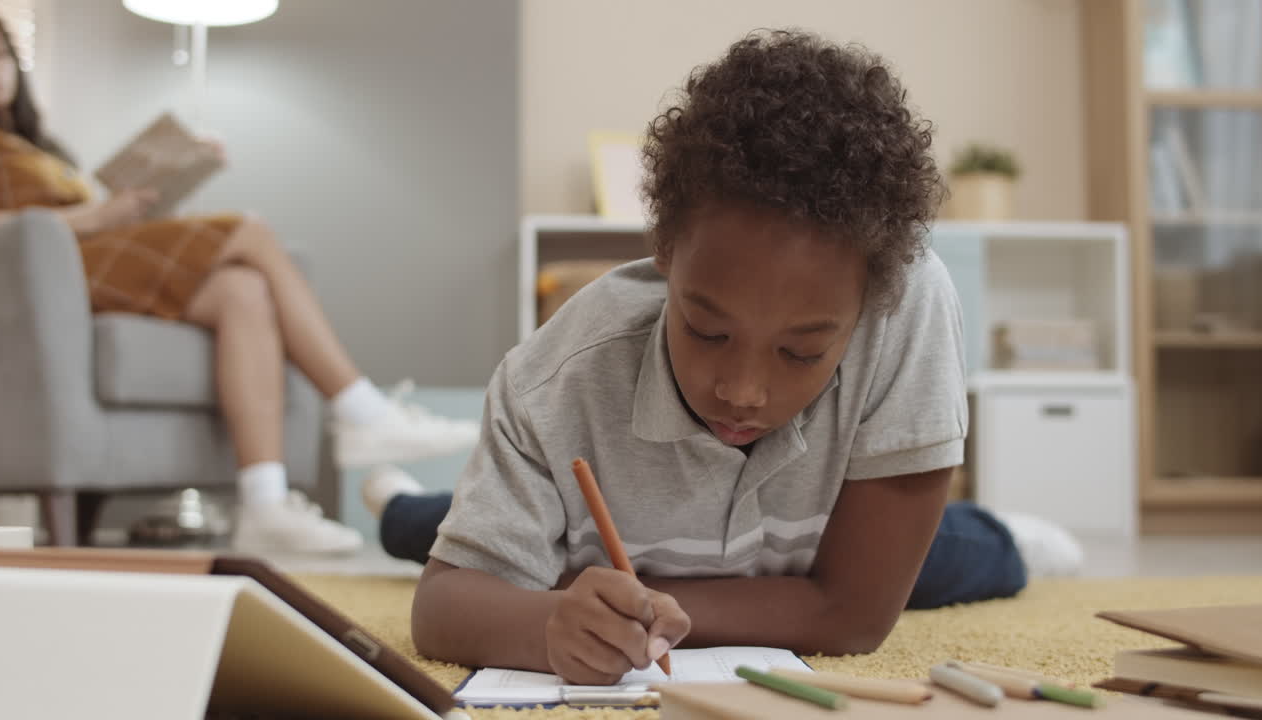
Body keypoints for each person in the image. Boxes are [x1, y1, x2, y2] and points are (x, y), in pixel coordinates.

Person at [386, 30, 1086, 684]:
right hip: (636, 541)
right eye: (708, 332)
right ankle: (407, 511)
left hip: (819, 537)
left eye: (801, 351)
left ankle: (1013, 535)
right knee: (454, 535)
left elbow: (854, 615)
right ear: (662, 247)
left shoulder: (907, 302)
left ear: (871, 304)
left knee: (969, 558)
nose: (744, 392)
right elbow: (443, 605)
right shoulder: (551, 382)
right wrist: (549, 621)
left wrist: (598, 595)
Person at [0, 10, 477, 554]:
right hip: (52, 278)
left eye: (1, 54)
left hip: (97, 254)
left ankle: (263, 503)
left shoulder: (37, 148)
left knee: (244, 291)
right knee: (248, 229)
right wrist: (97, 219)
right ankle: (361, 409)